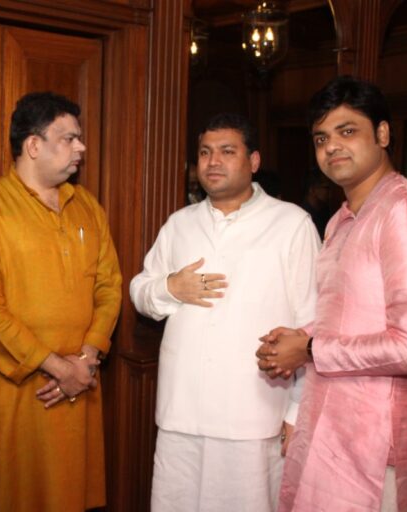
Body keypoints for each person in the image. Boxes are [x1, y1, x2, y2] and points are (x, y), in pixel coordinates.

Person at [256, 76, 407, 511]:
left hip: (378, 440)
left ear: (382, 134)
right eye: (322, 137)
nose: (332, 147)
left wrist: (308, 347)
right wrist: (296, 337)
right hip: (331, 424)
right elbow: (346, 316)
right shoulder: (342, 218)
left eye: (347, 131)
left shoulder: (404, 212)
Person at [130, 113, 320, 512]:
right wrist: (169, 287)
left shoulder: (291, 223)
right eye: (205, 152)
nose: (213, 162)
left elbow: (311, 326)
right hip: (181, 410)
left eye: (226, 151)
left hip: (253, 413)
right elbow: (140, 291)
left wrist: (297, 412)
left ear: (253, 161)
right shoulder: (179, 224)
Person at [0, 92, 122, 512]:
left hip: (81, 387)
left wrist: (87, 359)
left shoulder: (87, 205)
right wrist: (57, 367)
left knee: (72, 497)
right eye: (69, 138)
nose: (81, 148)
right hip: (25, 392)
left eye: (80, 138)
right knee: (18, 496)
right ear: (33, 145)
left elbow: (110, 286)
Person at [299, 167, 332, 239]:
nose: (329, 192)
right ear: (312, 190)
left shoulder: (325, 212)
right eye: (326, 187)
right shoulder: (304, 217)